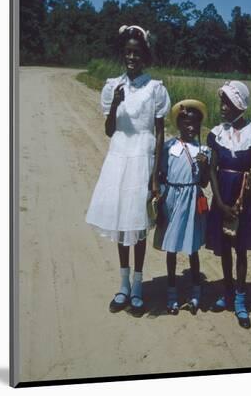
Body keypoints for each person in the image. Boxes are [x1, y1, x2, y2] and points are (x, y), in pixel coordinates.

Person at [86, 25, 170, 317]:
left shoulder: (155, 88)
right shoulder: (113, 87)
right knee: (122, 223)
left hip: (142, 158)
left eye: (137, 52)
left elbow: (160, 132)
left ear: (145, 56)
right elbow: (109, 130)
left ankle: (138, 285)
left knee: (138, 223)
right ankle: (122, 284)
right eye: (128, 52)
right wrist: (115, 105)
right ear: (123, 55)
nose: (132, 57)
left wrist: (157, 170)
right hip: (119, 157)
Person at [205, 81, 251, 329]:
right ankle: (227, 290)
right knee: (225, 246)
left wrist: (246, 190)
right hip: (222, 194)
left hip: (242, 198)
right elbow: (212, 169)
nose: (222, 107)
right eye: (222, 102)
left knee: (240, 247)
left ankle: (240, 298)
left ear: (239, 106)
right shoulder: (217, 133)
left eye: (228, 103)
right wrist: (219, 202)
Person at [154, 100, 210, 315]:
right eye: (186, 123)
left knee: (193, 247)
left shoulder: (203, 150)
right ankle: (171, 294)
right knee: (172, 246)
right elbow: (160, 174)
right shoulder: (168, 147)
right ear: (178, 124)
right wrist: (158, 196)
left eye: (195, 123)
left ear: (199, 125)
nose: (190, 127)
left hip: (192, 199)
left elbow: (204, 182)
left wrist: (204, 165)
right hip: (172, 199)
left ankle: (196, 293)